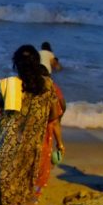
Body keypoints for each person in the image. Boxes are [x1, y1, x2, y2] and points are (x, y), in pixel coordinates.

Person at [0, 45, 60, 205]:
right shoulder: (48, 84)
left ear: (16, 64)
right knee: (24, 176)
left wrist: (1, 99)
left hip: (8, 141)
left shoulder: (11, 85)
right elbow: (54, 114)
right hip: (32, 142)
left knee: (1, 177)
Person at [35, 66, 65, 195]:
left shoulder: (26, 91)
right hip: (44, 137)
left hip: (26, 136)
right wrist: (60, 144)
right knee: (42, 167)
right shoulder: (52, 90)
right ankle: (34, 196)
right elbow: (56, 119)